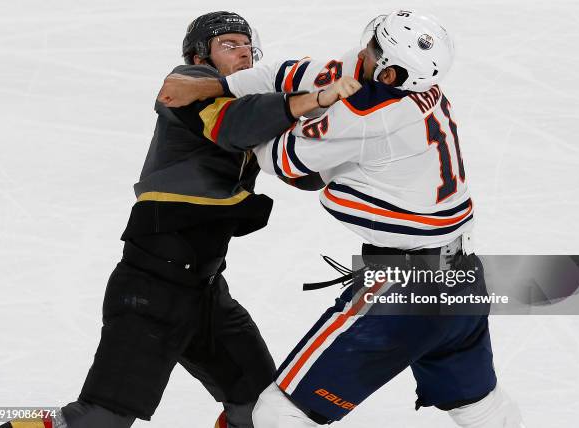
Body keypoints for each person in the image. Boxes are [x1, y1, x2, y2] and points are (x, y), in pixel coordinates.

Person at [157, 9, 526, 428]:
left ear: (390, 74)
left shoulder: (373, 116)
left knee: (280, 414)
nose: (362, 51)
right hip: (462, 282)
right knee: (480, 407)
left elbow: (282, 159)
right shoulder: (407, 79)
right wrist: (219, 83)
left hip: (403, 293)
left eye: (374, 50)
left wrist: (224, 108)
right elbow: (292, 73)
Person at [0, 11, 360, 428]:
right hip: (151, 288)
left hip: (205, 294)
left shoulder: (254, 108)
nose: (243, 52)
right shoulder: (186, 86)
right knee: (99, 419)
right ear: (199, 56)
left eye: (247, 45)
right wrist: (314, 99)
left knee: (263, 411)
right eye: (229, 45)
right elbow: (234, 127)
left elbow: (304, 171)